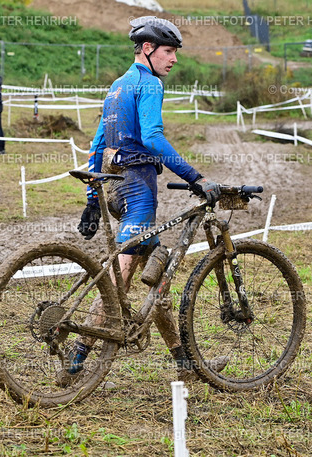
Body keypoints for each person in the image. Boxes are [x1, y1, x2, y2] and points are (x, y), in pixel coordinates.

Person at [60, 16, 227, 385]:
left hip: (113, 186)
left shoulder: (118, 86)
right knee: (120, 276)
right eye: (169, 51)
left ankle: (185, 361)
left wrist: (93, 196)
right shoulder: (148, 84)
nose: (175, 59)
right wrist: (195, 178)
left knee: (157, 272)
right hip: (137, 189)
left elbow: (98, 144)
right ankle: (79, 354)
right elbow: (152, 137)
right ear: (148, 49)